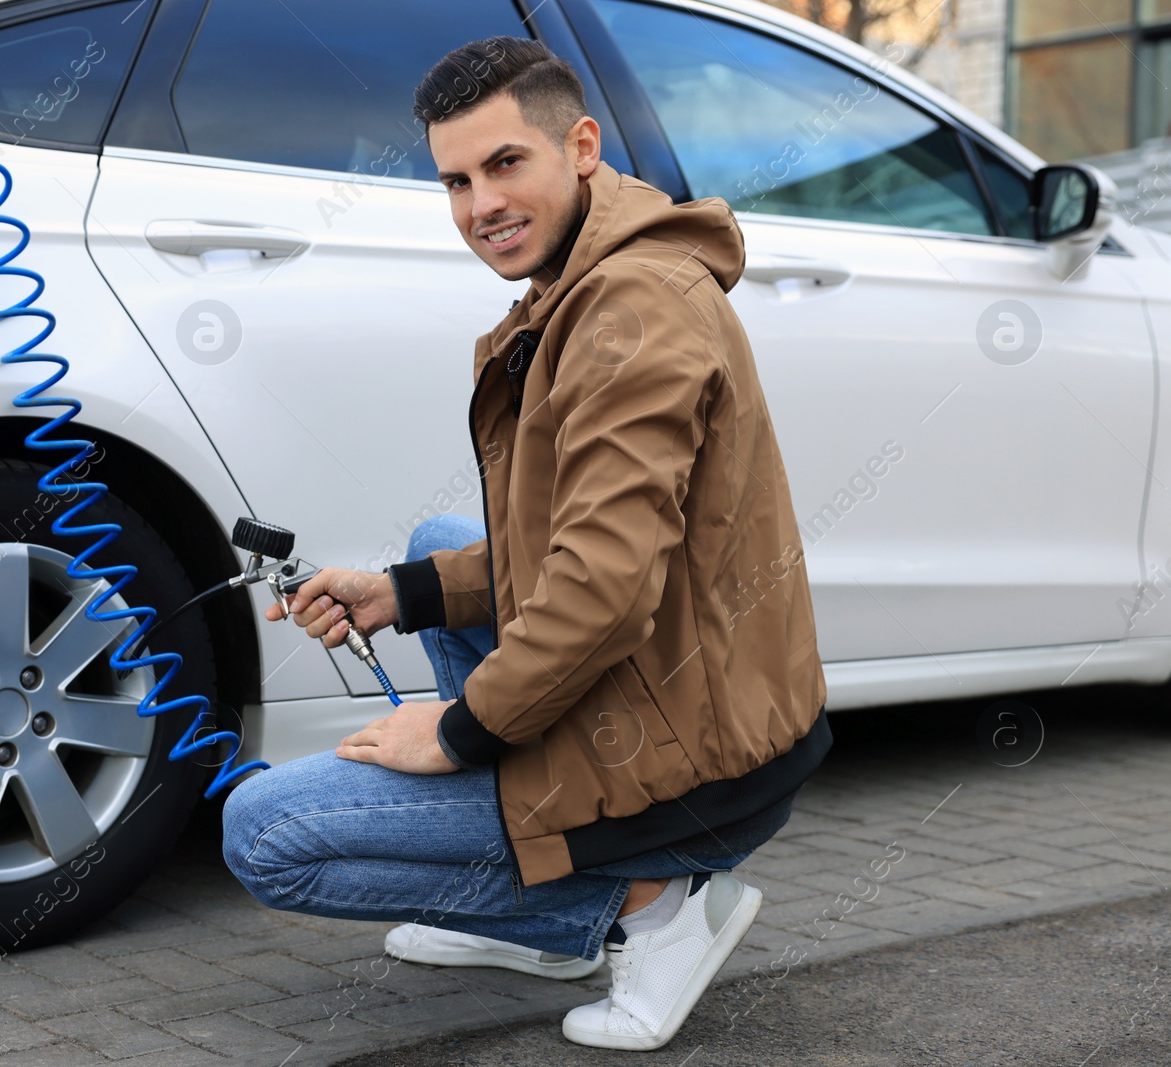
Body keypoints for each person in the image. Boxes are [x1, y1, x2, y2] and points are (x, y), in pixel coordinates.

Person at [221, 35, 831, 1051]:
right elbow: (567, 545)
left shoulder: (632, 312)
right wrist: (400, 594)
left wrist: (459, 731)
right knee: (439, 540)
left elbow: (598, 588)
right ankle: (552, 930)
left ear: (579, 145)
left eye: (506, 164)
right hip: (689, 677)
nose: (478, 205)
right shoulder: (584, 283)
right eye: (454, 180)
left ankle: (652, 909)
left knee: (263, 832)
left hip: (691, 755)